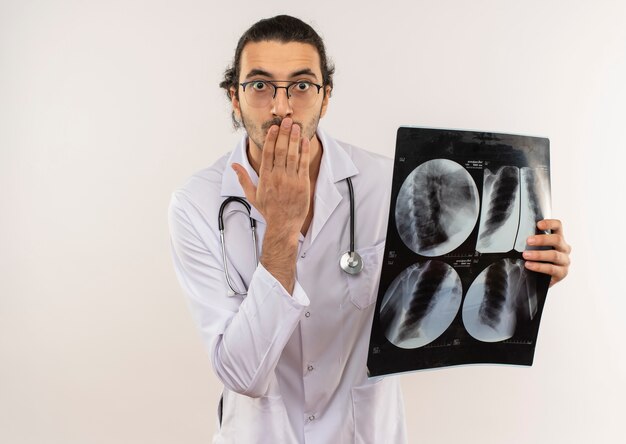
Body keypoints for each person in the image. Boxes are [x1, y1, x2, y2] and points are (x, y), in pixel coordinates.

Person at [168, 15, 571, 444]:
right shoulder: (196, 204)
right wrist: (282, 233)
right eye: (260, 85)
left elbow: (465, 274)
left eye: (302, 86)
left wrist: (531, 266)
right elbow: (241, 374)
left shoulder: (386, 182)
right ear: (235, 97)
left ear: (326, 98)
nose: (281, 106)